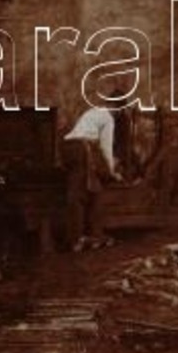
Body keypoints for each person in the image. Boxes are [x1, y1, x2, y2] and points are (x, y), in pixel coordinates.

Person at [62, 102, 122, 251]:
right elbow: (105, 147)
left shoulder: (93, 111)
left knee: (81, 191)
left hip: (68, 148)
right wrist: (112, 172)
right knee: (87, 194)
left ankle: (79, 237)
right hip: (81, 149)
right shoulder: (108, 118)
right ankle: (84, 238)